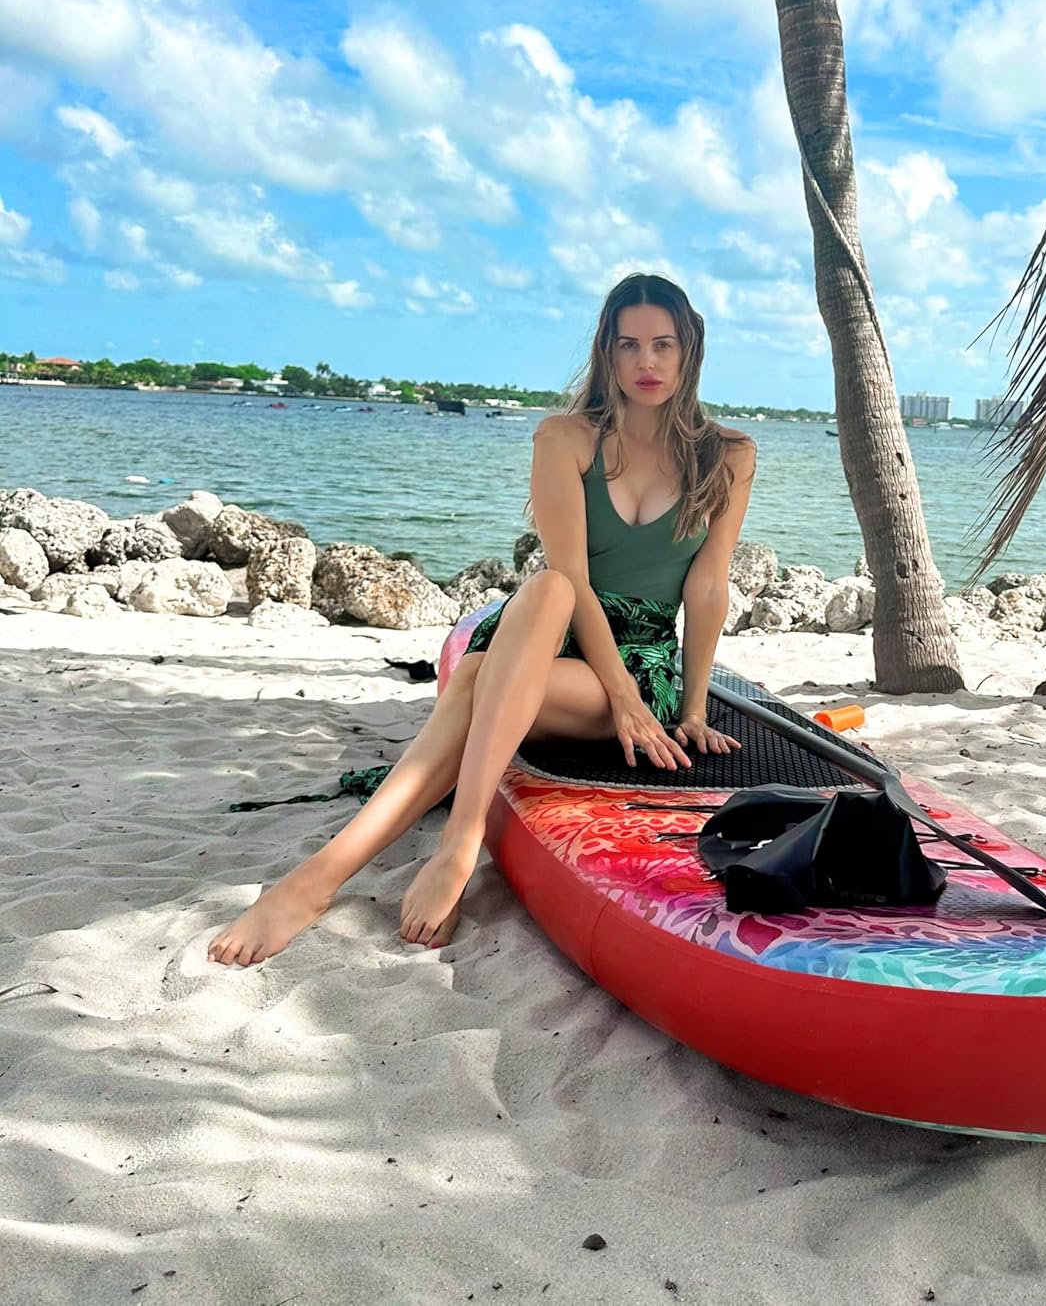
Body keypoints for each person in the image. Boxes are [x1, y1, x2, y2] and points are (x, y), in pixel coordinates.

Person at [208, 273, 756, 966]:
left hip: (639, 659)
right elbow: (573, 579)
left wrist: (693, 707)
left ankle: (322, 880)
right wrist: (618, 698)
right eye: (628, 345)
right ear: (607, 353)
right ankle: (457, 842)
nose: (646, 362)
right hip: (553, 633)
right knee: (549, 585)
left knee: (472, 684)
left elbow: (706, 589)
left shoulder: (728, 456)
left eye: (662, 344)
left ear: (689, 351)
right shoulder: (565, 439)